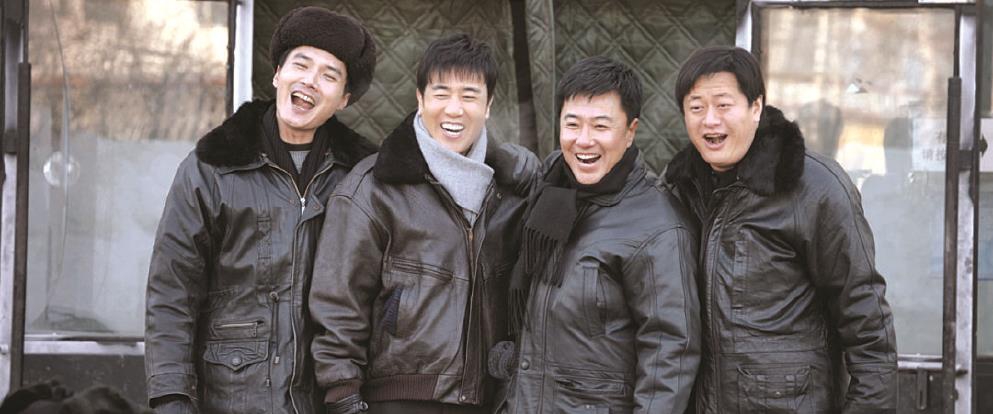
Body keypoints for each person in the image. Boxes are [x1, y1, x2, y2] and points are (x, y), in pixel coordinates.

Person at [144, 6, 378, 414]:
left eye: (329, 75)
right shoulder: (212, 168)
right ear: (277, 74)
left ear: (344, 99)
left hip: (328, 401)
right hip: (230, 398)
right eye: (300, 64)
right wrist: (171, 397)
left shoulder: (361, 179)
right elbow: (172, 290)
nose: (309, 81)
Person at [308, 33, 538, 414]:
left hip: (484, 402)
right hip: (394, 401)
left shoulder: (509, 192)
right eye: (441, 93)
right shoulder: (373, 189)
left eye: (469, 96)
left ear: (488, 106)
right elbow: (338, 308)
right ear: (420, 99)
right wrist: (344, 400)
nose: (454, 109)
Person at [662, 46, 898, 413]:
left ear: (755, 107)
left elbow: (867, 324)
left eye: (723, 105)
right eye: (696, 108)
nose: (710, 120)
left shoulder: (815, 188)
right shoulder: (678, 189)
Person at [496, 56, 700, 414]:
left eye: (601, 126)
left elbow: (670, 353)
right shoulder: (549, 193)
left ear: (630, 131)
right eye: (572, 124)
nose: (583, 140)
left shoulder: (658, 225)